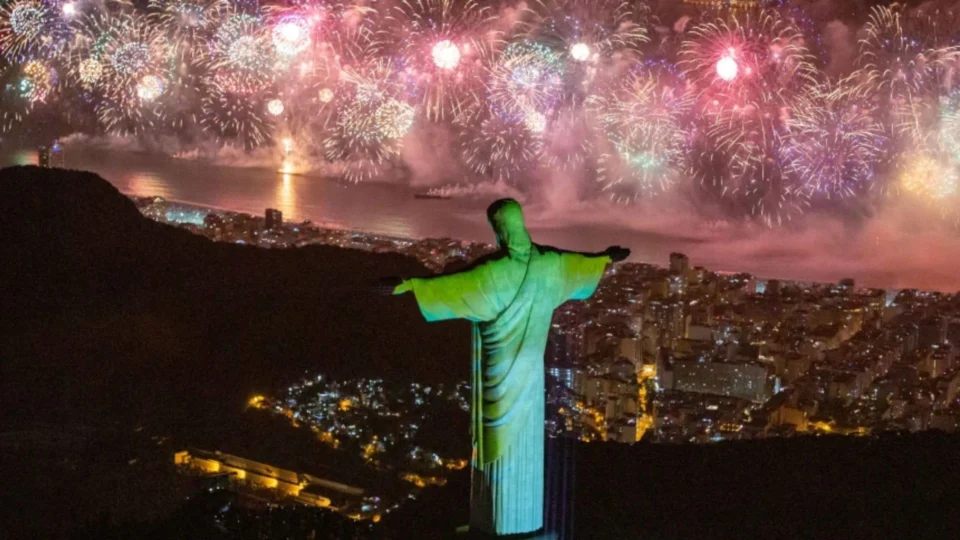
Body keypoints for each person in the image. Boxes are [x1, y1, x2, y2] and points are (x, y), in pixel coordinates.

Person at [383, 198, 628, 536]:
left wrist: (408, 285)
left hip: (498, 380)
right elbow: (579, 266)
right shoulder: (551, 265)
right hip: (530, 381)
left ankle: (498, 524)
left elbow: (453, 288)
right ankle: (521, 525)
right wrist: (606, 258)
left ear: (499, 230)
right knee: (525, 449)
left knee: (494, 450)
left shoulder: (495, 273)